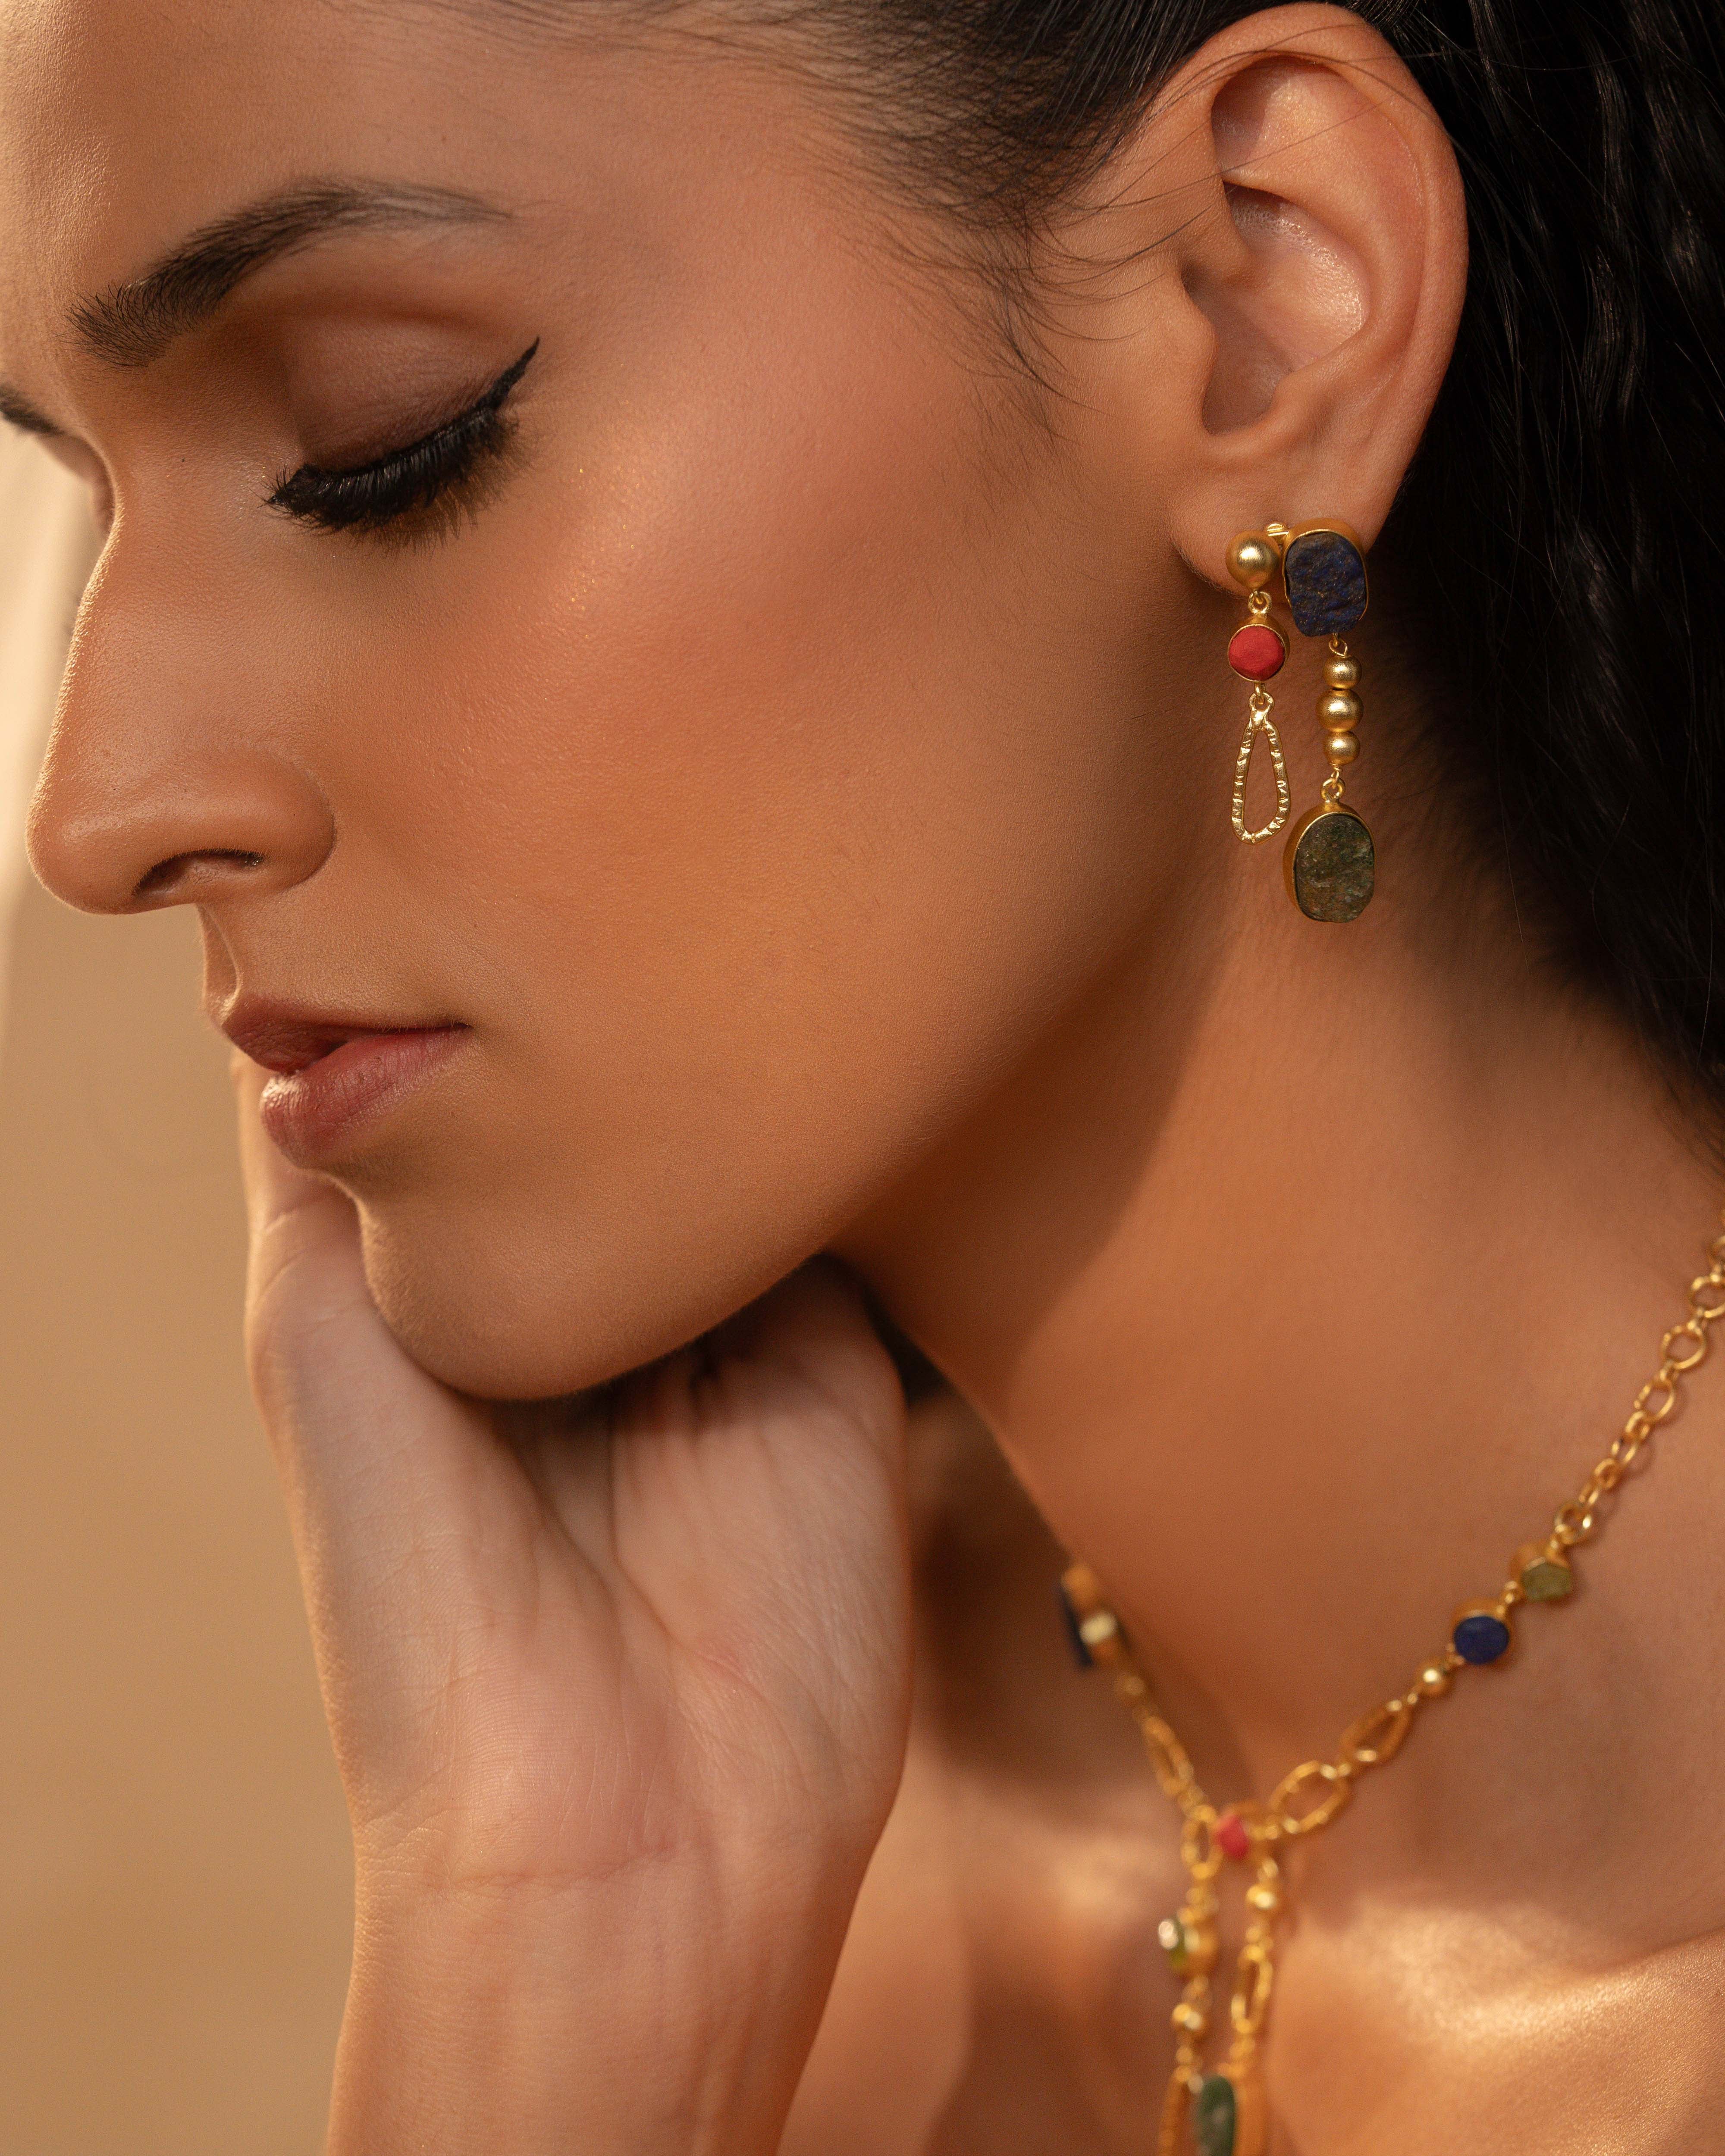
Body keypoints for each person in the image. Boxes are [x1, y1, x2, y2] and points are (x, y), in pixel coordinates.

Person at [4, 0, 1723, 2146]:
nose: (99, 807)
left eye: (385, 438)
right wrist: (543, 1966)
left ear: (1257, 300)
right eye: (84, 491)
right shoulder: (734, 1829)